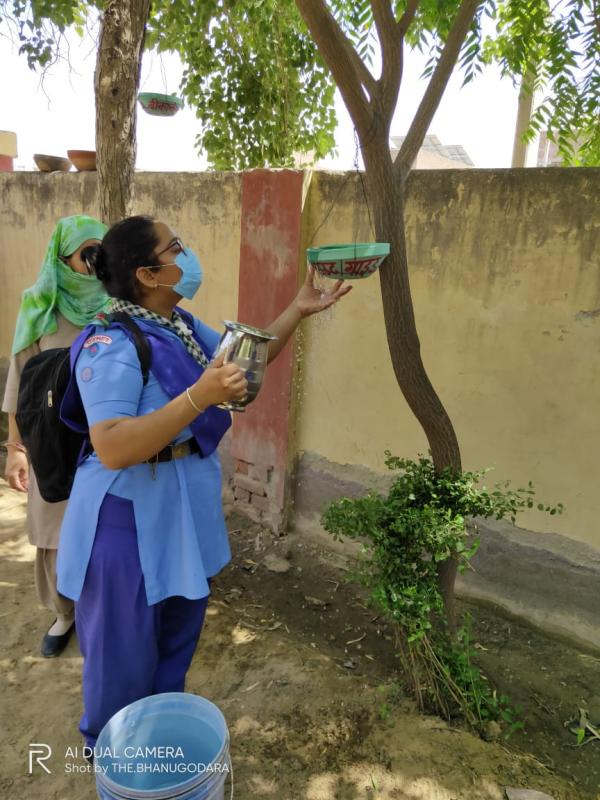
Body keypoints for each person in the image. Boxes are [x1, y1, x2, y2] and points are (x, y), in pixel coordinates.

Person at [56, 215, 351, 749]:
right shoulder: (112, 343)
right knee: (124, 662)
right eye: (176, 248)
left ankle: (158, 754)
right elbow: (113, 446)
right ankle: (114, 764)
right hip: (126, 522)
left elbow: (245, 362)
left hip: (180, 511)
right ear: (149, 273)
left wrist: (297, 310)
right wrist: (200, 397)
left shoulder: (180, 326)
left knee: (175, 646)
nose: (186, 255)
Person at [2, 215, 109, 658]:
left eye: (100, 252)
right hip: (50, 442)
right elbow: (19, 384)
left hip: (104, 439)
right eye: (86, 253)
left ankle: (99, 613)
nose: (94, 262)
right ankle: (63, 613)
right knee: (52, 532)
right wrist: (16, 449)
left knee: (102, 530)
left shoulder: (114, 302)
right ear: (63, 258)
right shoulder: (39, 304)